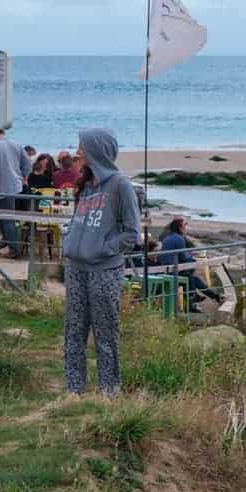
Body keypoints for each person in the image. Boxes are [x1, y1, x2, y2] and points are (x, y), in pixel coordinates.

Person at [61, 129, 141, 398]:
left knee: (105, 333)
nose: (77, 152)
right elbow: (79, 220)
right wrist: (69, 240)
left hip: (104, 271)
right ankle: (74, 391)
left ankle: (109, 391)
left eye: (82, 147)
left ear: (96, 151)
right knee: (73, 331)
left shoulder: (121, 186)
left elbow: (132, 232)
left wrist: (104, 249)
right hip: (75, 268)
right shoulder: (84, 184)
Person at [0, 128, 30, 258]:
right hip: (16, 186)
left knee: (6, 219)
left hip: (2, 187)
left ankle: (14, 249)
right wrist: (23, 177)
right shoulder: (16, 144)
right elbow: (27, 163)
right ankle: (9, 240)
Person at [159, 217, 220, 309]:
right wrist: (192, 259)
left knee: (193, 278)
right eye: (185, 225)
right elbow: (183, 258)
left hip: (167, 268)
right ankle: (193, 297)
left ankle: (212, 297)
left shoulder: (169, 237)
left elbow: (179, 255)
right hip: (171, 271)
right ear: (180, 228)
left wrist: (189, 256)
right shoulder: (179, 238)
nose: (186, 228)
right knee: (190, 275)